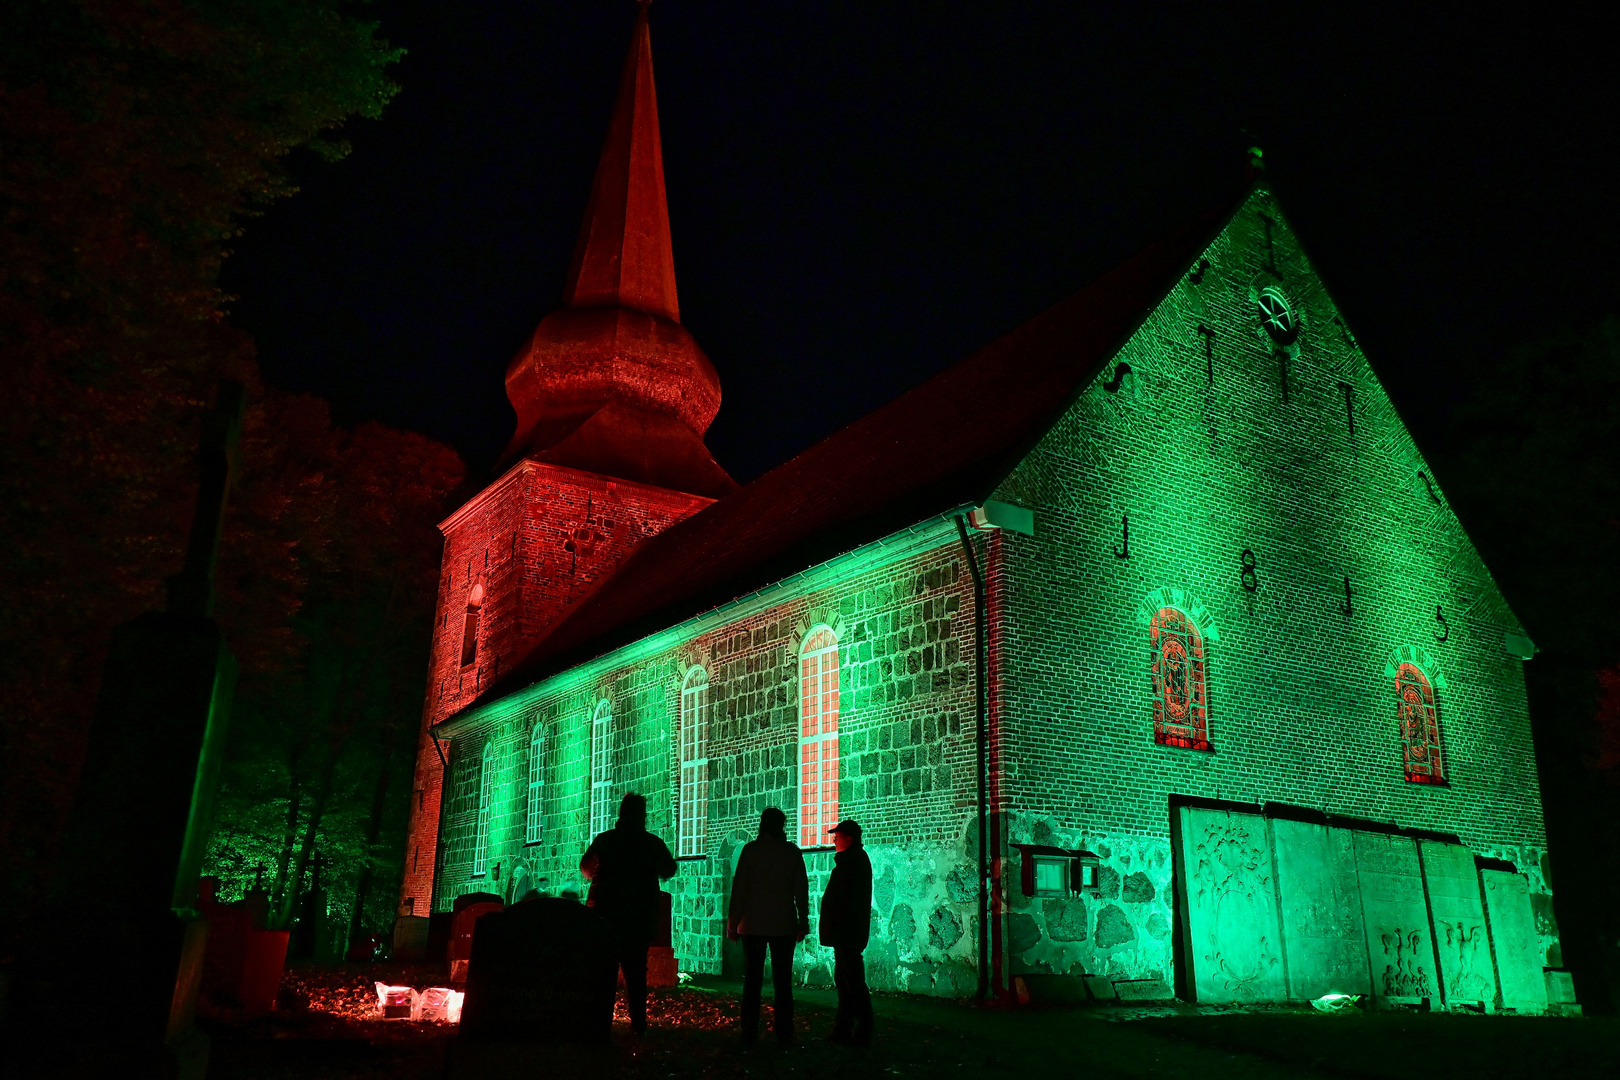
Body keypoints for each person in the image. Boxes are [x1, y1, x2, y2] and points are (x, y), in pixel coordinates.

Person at [580, 792, 677, 1034]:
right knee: (635, 974)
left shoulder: (605, 840)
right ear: (642, 815)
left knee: (604, 972)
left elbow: (585, 867)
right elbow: (669, 868)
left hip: (606, 916)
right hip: (637, 917)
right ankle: (638, 1025)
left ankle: (599, 1023)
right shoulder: (650, 843)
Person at [727, 807, 809, 1044]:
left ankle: (749, 1031)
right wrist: (803, 921)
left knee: (752, 981)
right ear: (781, 826)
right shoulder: (791, 853)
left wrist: (733, 924)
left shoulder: (750, 852)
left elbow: (740, 889)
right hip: (783, 925)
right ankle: (784, 1032)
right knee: (783, 982)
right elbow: (800, 891)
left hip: (752, 925)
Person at [819, 819, 874, 1045]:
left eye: (837, 836)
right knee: (845, 982)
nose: (834, 840)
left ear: (849, 838)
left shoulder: (851, 862)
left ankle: (861, 1029)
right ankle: (845, 1029)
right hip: (846, 933)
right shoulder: (852, 861)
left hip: (847, 933)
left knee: (852, 983)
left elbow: (843, 900)